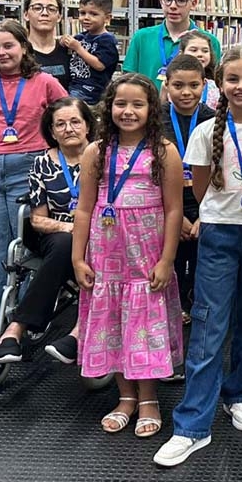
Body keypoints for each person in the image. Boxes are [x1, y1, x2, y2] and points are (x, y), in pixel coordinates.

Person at [154, 48, 242, 467]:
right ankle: (192, 425)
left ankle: (239, 394)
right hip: (220, 233)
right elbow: (201, 187)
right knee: (208, 322)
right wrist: (221, 214)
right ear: (219, 85)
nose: (241, 86)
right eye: (233, 79)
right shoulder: (207, 131)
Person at [73, 74, 183, 438]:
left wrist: (167, 260)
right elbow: (84, 208)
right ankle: (125, 397)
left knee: (143, 325)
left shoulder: (164, 152)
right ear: (109, 108)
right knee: (114, 323)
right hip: (106, 256)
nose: (128, 111)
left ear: (152, 109)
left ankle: (148, 398)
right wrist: (77, 258)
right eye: (121, 103)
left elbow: (173, 210)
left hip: (145, 255)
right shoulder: (96, 151)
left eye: (138, 104)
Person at [0, 20, 66, 334]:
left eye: (8, 45)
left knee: (30, 246)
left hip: (30, 168)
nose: (1, 53)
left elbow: (67, 116)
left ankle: (27, 314)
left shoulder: (45, 82)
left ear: (24, 47)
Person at [0, 97, 96, 365]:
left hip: (100, 235)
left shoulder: (102, 158)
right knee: (64, 244)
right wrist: (72, 228)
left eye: (75, 122)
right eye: (60, 124)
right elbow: (37, 219)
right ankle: (26, 330)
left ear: (87, 126)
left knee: (89, 248)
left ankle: (21, 329)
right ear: (52, 131)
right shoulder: (42, 163)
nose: (68, 129)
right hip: (55, 237)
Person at [160, 54, 217, 356]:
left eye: (194, 85)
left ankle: (196, 307)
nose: (186, 92)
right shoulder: (155, 118)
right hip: (166, 204)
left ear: (204, 85)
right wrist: (176, 216)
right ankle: (173, 309)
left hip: (204, 204)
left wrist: (204, 213)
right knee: (171, 261)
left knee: (200, 264)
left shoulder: (214, 119)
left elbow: (220, 169)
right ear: (167, 85)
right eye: (178, 85)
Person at [123, 0, 220, 86]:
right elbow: (128, 80)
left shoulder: (209, 41)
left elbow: (215, 82)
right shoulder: (141, 37)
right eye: (167, 0)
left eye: (181, 0)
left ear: (193, 4)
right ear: (160, 1)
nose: (173, 6)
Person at [62, 0, 119, 106]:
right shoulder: (81, 37)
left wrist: (78, 48)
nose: (86, 18)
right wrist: (63, 42)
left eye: (93, 14)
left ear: (107, 18)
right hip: (74, 84)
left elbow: (100, 65)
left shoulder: (107, 40)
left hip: (91, 90)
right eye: (82, 13)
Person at [23, 0, 71, 89]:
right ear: (26, 15)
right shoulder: (18, 52)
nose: (44, 13)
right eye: (37, 8)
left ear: (59, 17)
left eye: (51, 9)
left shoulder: (70, 50)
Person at [177, 29, 220, 109]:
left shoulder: (215, 86)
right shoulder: (172, 84)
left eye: (205, 51)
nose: (200, 54)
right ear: (181, 53)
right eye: (194, 50)